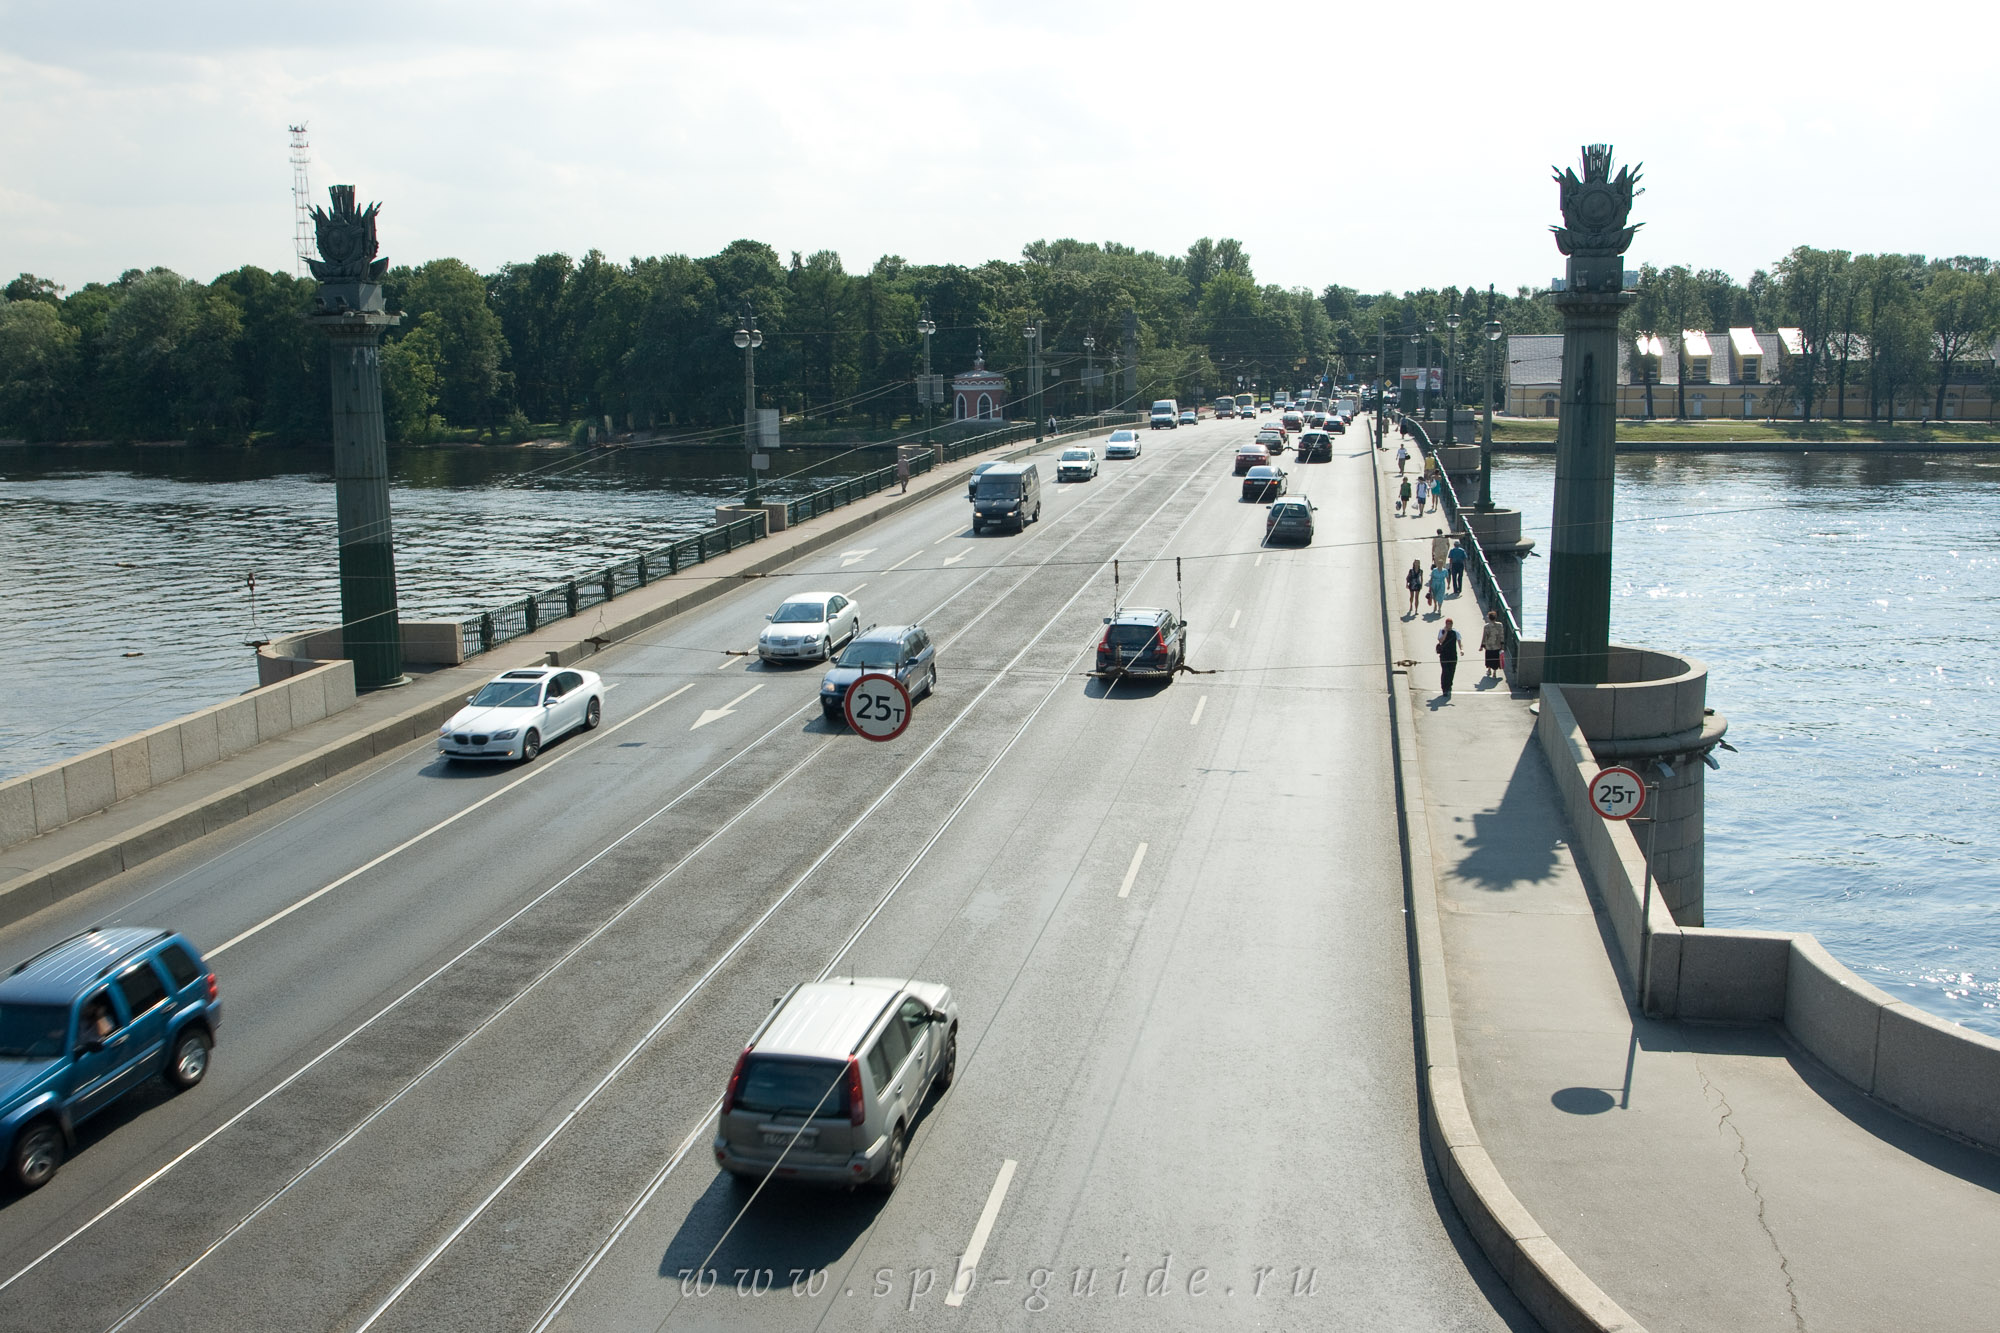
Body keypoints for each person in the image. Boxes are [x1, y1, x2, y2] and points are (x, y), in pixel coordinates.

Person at [1436, 618, 1462, 699]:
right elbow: (1440, 640)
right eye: (1447, 624)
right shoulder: (1442, 631)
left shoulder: (1455, 632)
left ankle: (1449, 685)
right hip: (1444, 655)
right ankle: (1444, 688)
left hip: (1453, 654)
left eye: (1450, 624)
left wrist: (1461, 649)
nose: (1449, 625)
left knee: (1451, 671)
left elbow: (1459, 641)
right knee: (1445, 671)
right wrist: (1446, 632)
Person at [1481, 609, 1506, 679]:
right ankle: (1494, 672)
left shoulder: (1486, 626)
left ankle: (1489, 669)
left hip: (1489, 646)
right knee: (1495, 659)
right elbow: (1502, 635)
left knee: (1489, 658)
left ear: (1489, 618)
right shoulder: (1500, 625)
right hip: (1497, 645)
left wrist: (1482, 645)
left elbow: (1484, 636)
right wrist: (1502, 644)